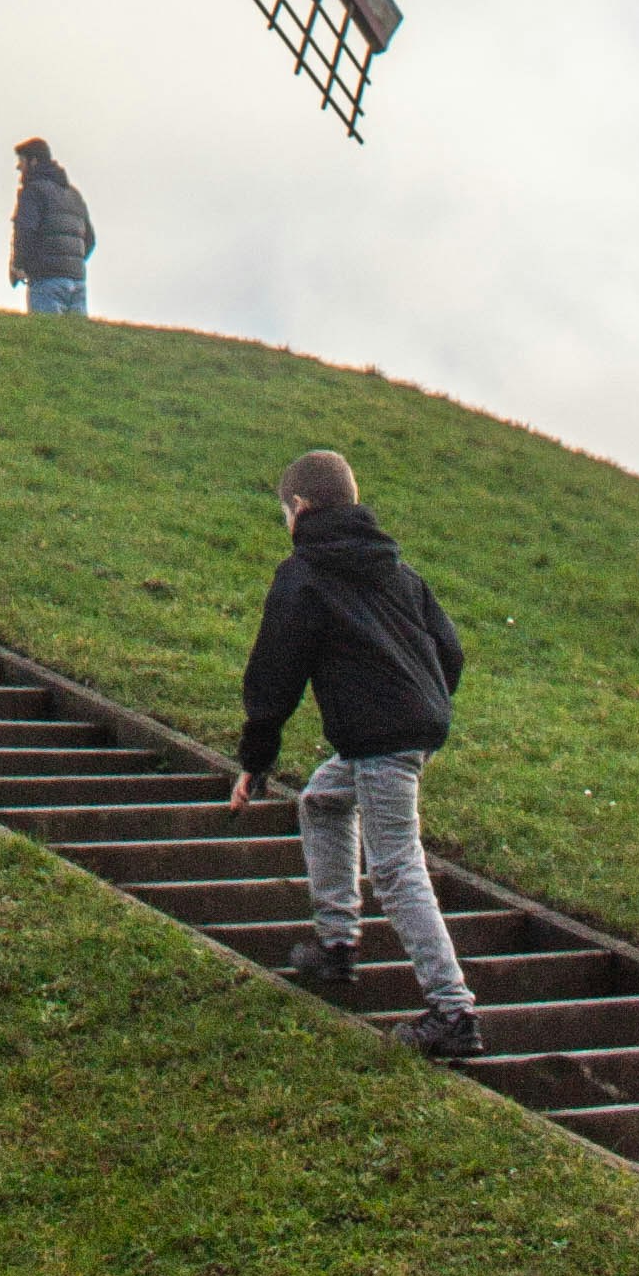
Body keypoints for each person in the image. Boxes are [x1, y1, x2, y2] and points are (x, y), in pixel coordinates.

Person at [228, 447, 480, 1062]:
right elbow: (450, 650)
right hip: (398, 733)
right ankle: (336, 946)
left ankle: (454, 1012)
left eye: (285, 513)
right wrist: (425, 715)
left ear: (302, 508)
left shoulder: (304, 574)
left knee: (396, 867)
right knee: (322, 801)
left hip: (381, 741)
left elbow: (275, 676)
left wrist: (254, 761)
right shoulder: (398, 571)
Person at [7, 136, 94, 317]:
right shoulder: (74, 194)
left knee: (46, 340)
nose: (18, 167)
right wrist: (70, 264)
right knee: (76, 342)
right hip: (77, 281)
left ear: (33, 161)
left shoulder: (33, 191)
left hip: (46, 281)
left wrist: (18, 265)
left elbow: (25, 231)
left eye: (21, 161)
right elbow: (90, 240)